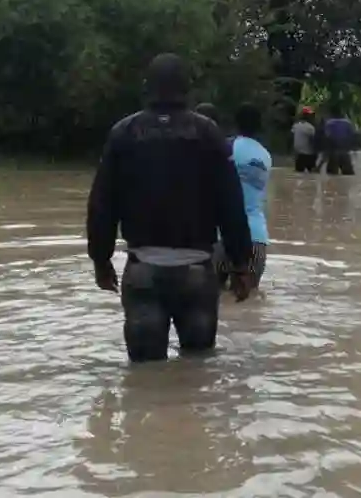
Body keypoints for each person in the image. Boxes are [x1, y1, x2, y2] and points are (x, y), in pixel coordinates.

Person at [85, 53, 253, 363]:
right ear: (187, 90)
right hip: (197, 273)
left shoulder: (124, 133)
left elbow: (101, 204)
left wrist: (100, 258)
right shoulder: (209, 134)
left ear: (147, 88)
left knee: (144, 377)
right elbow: (231, 204)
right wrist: (241, 264)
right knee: (197, 376)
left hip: (142, 271)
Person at [213, 102, 272, 291]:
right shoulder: (266, 156)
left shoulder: (226, 147)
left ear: (235, 123)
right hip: (257, 238)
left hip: (224, 237)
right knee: (247, 304)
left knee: (214, 301)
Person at [322, 105, 358, 175]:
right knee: (348, 174)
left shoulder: (329, 123)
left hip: (333, 152)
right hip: (344, 151)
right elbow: (353, 136)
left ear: (331, 114)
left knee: (331, 175)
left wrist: (325, 152)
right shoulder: (347, 123)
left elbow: (326, 137)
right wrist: (354, 149)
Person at [291, 106, 318, 173]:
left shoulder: (295, 126)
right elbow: (314, 141)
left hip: (298, 154)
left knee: (298, 174)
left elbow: (292, 138)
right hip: (308, 154)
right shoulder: (310, 128)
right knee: (311, 175)